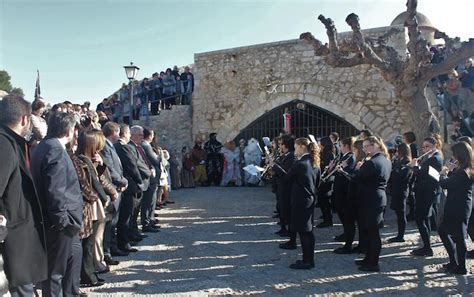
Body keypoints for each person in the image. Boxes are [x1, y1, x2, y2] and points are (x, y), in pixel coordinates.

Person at [31, 112, 83, 297]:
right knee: (55, 275)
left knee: (70, 265)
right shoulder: (55, 150)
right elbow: (55, 191)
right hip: (60, 225)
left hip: (63, 223)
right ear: (70, 131)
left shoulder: (44, 146)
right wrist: (63, 223)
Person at [0, 95, 48, 297]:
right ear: (24, 120)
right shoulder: (4, 145)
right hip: (12, 236)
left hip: (18, 235)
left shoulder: (12, 142)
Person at [272, 137, 320, 269]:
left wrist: (275, 167)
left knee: (304, 232)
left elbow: (286, 179)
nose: (294, 149)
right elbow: (318, 183)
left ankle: (307, 261)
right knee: (308, 231)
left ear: (301, 147)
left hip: (300, 201)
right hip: (309, 199)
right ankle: (309, 259)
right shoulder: (314, 162)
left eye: (296, 147)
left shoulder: (300, 164)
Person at [72, 129, 110, 287]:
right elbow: (93, 181)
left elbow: (95, 177)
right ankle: (88, 275)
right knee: (88, 242)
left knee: (91, 241)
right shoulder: (83, 159)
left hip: (93, 202)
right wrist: (104, 197)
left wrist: (100, 164)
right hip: (91, 203)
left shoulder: (86, 158)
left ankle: (90, 273)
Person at [354, 136, 391, 272]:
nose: (364, 150)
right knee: (369, 230)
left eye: (366, 146)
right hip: (377, 197)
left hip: (371, 198)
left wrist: (358, 169)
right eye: (363, 147)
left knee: (372, 232)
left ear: (374, 145)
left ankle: (373, 262)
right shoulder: (385, 160)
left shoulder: (372, 162)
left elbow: (358, 178)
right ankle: (368, 259)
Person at [438, 141, 473, 275]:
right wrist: (452, 170)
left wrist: (443, 172)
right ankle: (455, 262)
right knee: (446, 232)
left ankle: (460, 266)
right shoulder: (466, 168)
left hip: (458, 207)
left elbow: (446, 184)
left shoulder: (463, 172)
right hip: (460, 205)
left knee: (457, 236)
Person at [410, 137, 443, 257]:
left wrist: (415, 166)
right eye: (423, 147)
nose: (425, 149)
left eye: (427, 146)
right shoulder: (432, 157)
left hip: (426, 192)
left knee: (420, 218)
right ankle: (426, 245)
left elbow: (423, 174)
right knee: (424, 219)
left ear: (434, 145)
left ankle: (427, 247)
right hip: (426, 191)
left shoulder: (434, 158)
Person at [101, 122, 129, 262]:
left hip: (118, 188)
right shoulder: (105, 147)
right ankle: (107, 252)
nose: (120, 135)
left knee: (114, 222)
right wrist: (123, 181)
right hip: (113, 188)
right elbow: (110, 169)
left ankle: (113, 247)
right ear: (114, 132)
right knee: (109, 223)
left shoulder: (110, 146)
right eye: (118, 132)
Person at [114, 124, 144, 253]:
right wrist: (139, 181)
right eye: (128, 134)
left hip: (126, 185)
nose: (129, 136)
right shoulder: (123, 147)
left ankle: (125, 240)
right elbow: (132, 167)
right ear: (125, 133)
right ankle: (124, 243)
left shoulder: (117, 147)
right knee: (125, 217)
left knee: (126, 216)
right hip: (129, 185)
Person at [332, 137, 357, 254]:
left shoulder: (350, 157)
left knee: (348, 219)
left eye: (341, 146)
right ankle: (345, 235)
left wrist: (340, 170)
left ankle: (348, 244)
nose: (339, 148)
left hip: (345, 192)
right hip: (340, 191)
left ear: (346, 146)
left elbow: (350, 176)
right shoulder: (344, 156)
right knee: (343, 217)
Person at [273, 134, 297, 244]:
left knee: (288, 212)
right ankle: (283, 228)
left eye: (282, 144)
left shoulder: (291, 156)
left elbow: (286, 174)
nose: (280, 146)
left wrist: (274, 166)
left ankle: (291, 237)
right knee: (281, 208)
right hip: (281, 186)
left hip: (287, 188)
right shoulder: (285, 155)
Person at [388, 143, 412, 243]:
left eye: (398, 151)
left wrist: (395, 171)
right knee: (398, 213)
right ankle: (399, 234)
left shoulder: (407, 162)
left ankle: (401, 235)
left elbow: (403, 176)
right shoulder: (399, 161)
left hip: (401, 190)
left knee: (401, 214)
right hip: (396, 189)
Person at [140, 128, 161, 233]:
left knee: (152, 200)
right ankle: (147, 222)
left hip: (153, 177)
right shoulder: (145, 145)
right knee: (148, 201)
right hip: (150, 178)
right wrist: (159, 157)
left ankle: (150, 220)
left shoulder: (145, 145)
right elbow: (155, 160)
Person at [317, 136, 336, 228]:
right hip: (323, 179)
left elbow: (328, 168)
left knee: (324, 200)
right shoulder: (323, 153)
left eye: (320, 143)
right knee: (321, 200)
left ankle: (328, 220)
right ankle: (326, 218)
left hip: (327, 180)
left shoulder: (329, 154)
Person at [402, 131, 418, 221]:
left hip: (411, 172)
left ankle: (413, 213)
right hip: (411, 171)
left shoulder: (411, 147)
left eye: (404, 138)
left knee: (411, 194)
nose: (403, 140)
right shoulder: (411, 146)